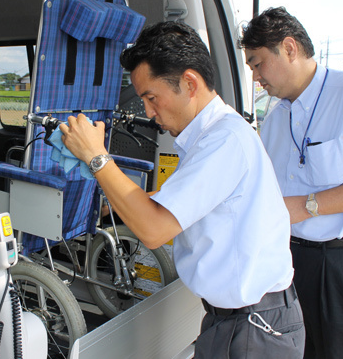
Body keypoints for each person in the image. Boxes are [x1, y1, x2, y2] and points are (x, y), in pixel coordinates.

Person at [59, 21, 305, 358]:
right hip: (234, 320)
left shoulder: (225, 140)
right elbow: (177, 207)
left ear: (189, 83)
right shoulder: (209, 137)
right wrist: (117, 205)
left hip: (254, 329)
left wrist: (95, 155)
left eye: (151, 97)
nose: (147, 111)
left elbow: (155, 229)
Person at [239, 6, 343, 359]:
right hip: (292, 260)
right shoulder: (274, 118)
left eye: (257, 63)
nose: (256, 78)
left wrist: (305, 206)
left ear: (289, 48)